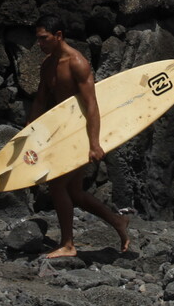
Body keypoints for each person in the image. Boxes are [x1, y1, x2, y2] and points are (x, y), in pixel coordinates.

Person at [30, 18, 131, 257]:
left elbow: (92, 106)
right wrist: (28, 133)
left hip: (83, 133)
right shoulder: (47, 65)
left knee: (57, 185)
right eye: (38, 38)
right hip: (63, 132)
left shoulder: (77, 63)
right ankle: (118, 221)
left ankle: (68, 244)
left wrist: (94, 143)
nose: (40, 43)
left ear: (59, 35)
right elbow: (41, 100)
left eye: (44, 38)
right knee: (74, 193)